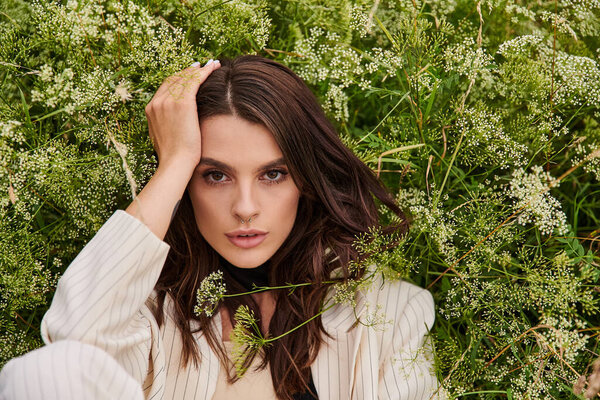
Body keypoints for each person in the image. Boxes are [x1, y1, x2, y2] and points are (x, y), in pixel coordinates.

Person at [0, 55, 445, 400]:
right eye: (215, 175)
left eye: (273, 174)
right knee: (35, 371)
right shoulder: (149, 317)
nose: (245, 208)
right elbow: (70, 353)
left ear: (306, 181)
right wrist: (173, 164)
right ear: (186, 187)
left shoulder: (385, 314)